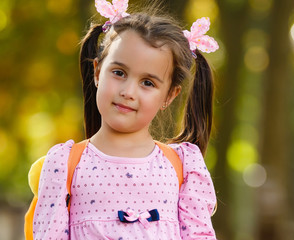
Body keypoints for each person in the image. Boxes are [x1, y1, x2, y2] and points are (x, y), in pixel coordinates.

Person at [32, 0, 219, 239]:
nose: (128, 91)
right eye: (119, 73)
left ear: (170, 95)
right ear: (98, 72)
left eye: (148, 83)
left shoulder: (182, 167)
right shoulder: (64, 164)